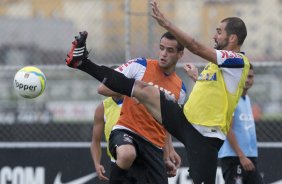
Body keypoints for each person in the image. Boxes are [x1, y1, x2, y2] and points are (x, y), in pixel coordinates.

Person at [65, 1, 250, 182]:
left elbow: (195, 46)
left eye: (219, 32)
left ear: (232, 38)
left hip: (205, 138)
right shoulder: (219, 66)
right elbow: (216, 93)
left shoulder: (238, 61)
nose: (214, 36)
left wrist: (166, 23)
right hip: (185, 122)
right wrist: (198, 78)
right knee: (143, 89)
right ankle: (82, 62)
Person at [76, 31, 189, 184]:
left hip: (154, 145)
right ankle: (81, 62)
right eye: (161, 48)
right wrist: (135, 91)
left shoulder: (181, 89)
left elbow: (166, 122)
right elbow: (103, 88)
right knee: (126, 154)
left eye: (170, 51)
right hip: (127, 131)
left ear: (180, 54)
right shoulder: (141, 65)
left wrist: (169, 151)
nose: (163, 54)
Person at [218, 64, 264, 184]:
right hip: (235, 158)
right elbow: (227, 129)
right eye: (245, 76)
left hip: (249, 157)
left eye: (251, 77)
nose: (248, 80)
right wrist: (241, 156)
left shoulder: (246, 98)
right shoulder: (231, 98)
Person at [91, 95, 147, 183]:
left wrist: (167, 152)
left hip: (142, 162)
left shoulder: (138, 101)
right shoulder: (103, 107)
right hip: (118, 164)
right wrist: (97, 164)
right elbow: (95, 141)